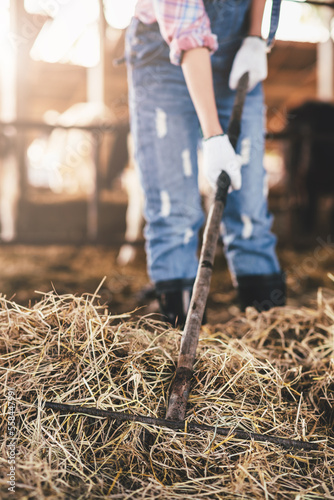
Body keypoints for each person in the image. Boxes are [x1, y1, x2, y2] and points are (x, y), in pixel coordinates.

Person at [125, 0, 285, 327]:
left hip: (236, 50)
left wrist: (255, 37)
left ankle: (271, 335)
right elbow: (187, 32)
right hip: (162, 57)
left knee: (250, 205)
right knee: (175, 210)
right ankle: (178, 334)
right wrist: (213, 137)